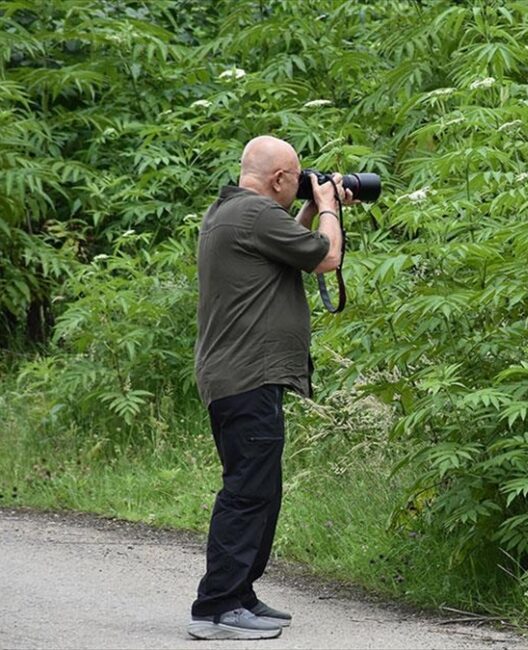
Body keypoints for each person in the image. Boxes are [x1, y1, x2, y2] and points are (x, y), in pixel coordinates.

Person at [187, 135, 353, 640]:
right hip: (248, 375)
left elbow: (287, 246)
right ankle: (216, 607)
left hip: (237, 376)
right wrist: (327, 207)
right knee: (247, 492)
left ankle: (240, 594)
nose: (303, 184)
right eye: (297, 178)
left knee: (262, 490)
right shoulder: (255, 215)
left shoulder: (231, 213)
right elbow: (324, 258)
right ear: (280, 179)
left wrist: (306, 208)